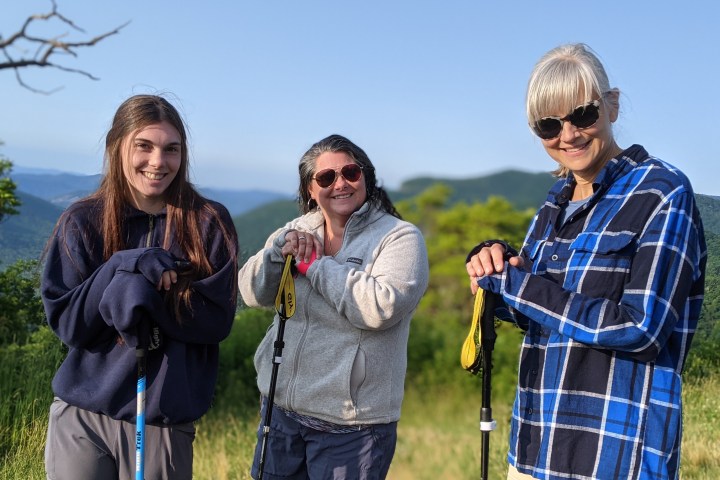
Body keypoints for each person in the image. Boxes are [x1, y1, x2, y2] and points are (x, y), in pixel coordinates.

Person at [465, 44, 706, 480]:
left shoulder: (662, 191)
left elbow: (642, 328)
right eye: (549, 125)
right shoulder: (553, 203)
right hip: (533, 451)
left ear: (611, 105)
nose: (569, 134)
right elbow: (543, 315)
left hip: (615, 458)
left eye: (583, 114)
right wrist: (493, 272)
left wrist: (519, 286)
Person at [41, 94, 239, 479]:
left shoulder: (208, 223)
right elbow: (69, 325)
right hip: (80, 418)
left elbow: (215, 322)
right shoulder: (82, 221)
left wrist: (144, 294)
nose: (157, 162)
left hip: (161, 424)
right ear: (117, 147)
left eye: (171, 149)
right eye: (143, 146)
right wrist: (121, 265)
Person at [238, 134, 429, 479]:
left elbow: (379, 308)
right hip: (281, 412)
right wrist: (276, 254)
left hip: (352, 425)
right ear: (310, 190)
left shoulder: (400, 237)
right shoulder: (297, 229)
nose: (340, 183)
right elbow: (252, 293)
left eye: (350, 173)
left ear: (366, 178)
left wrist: (315, 266)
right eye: (326, 178)